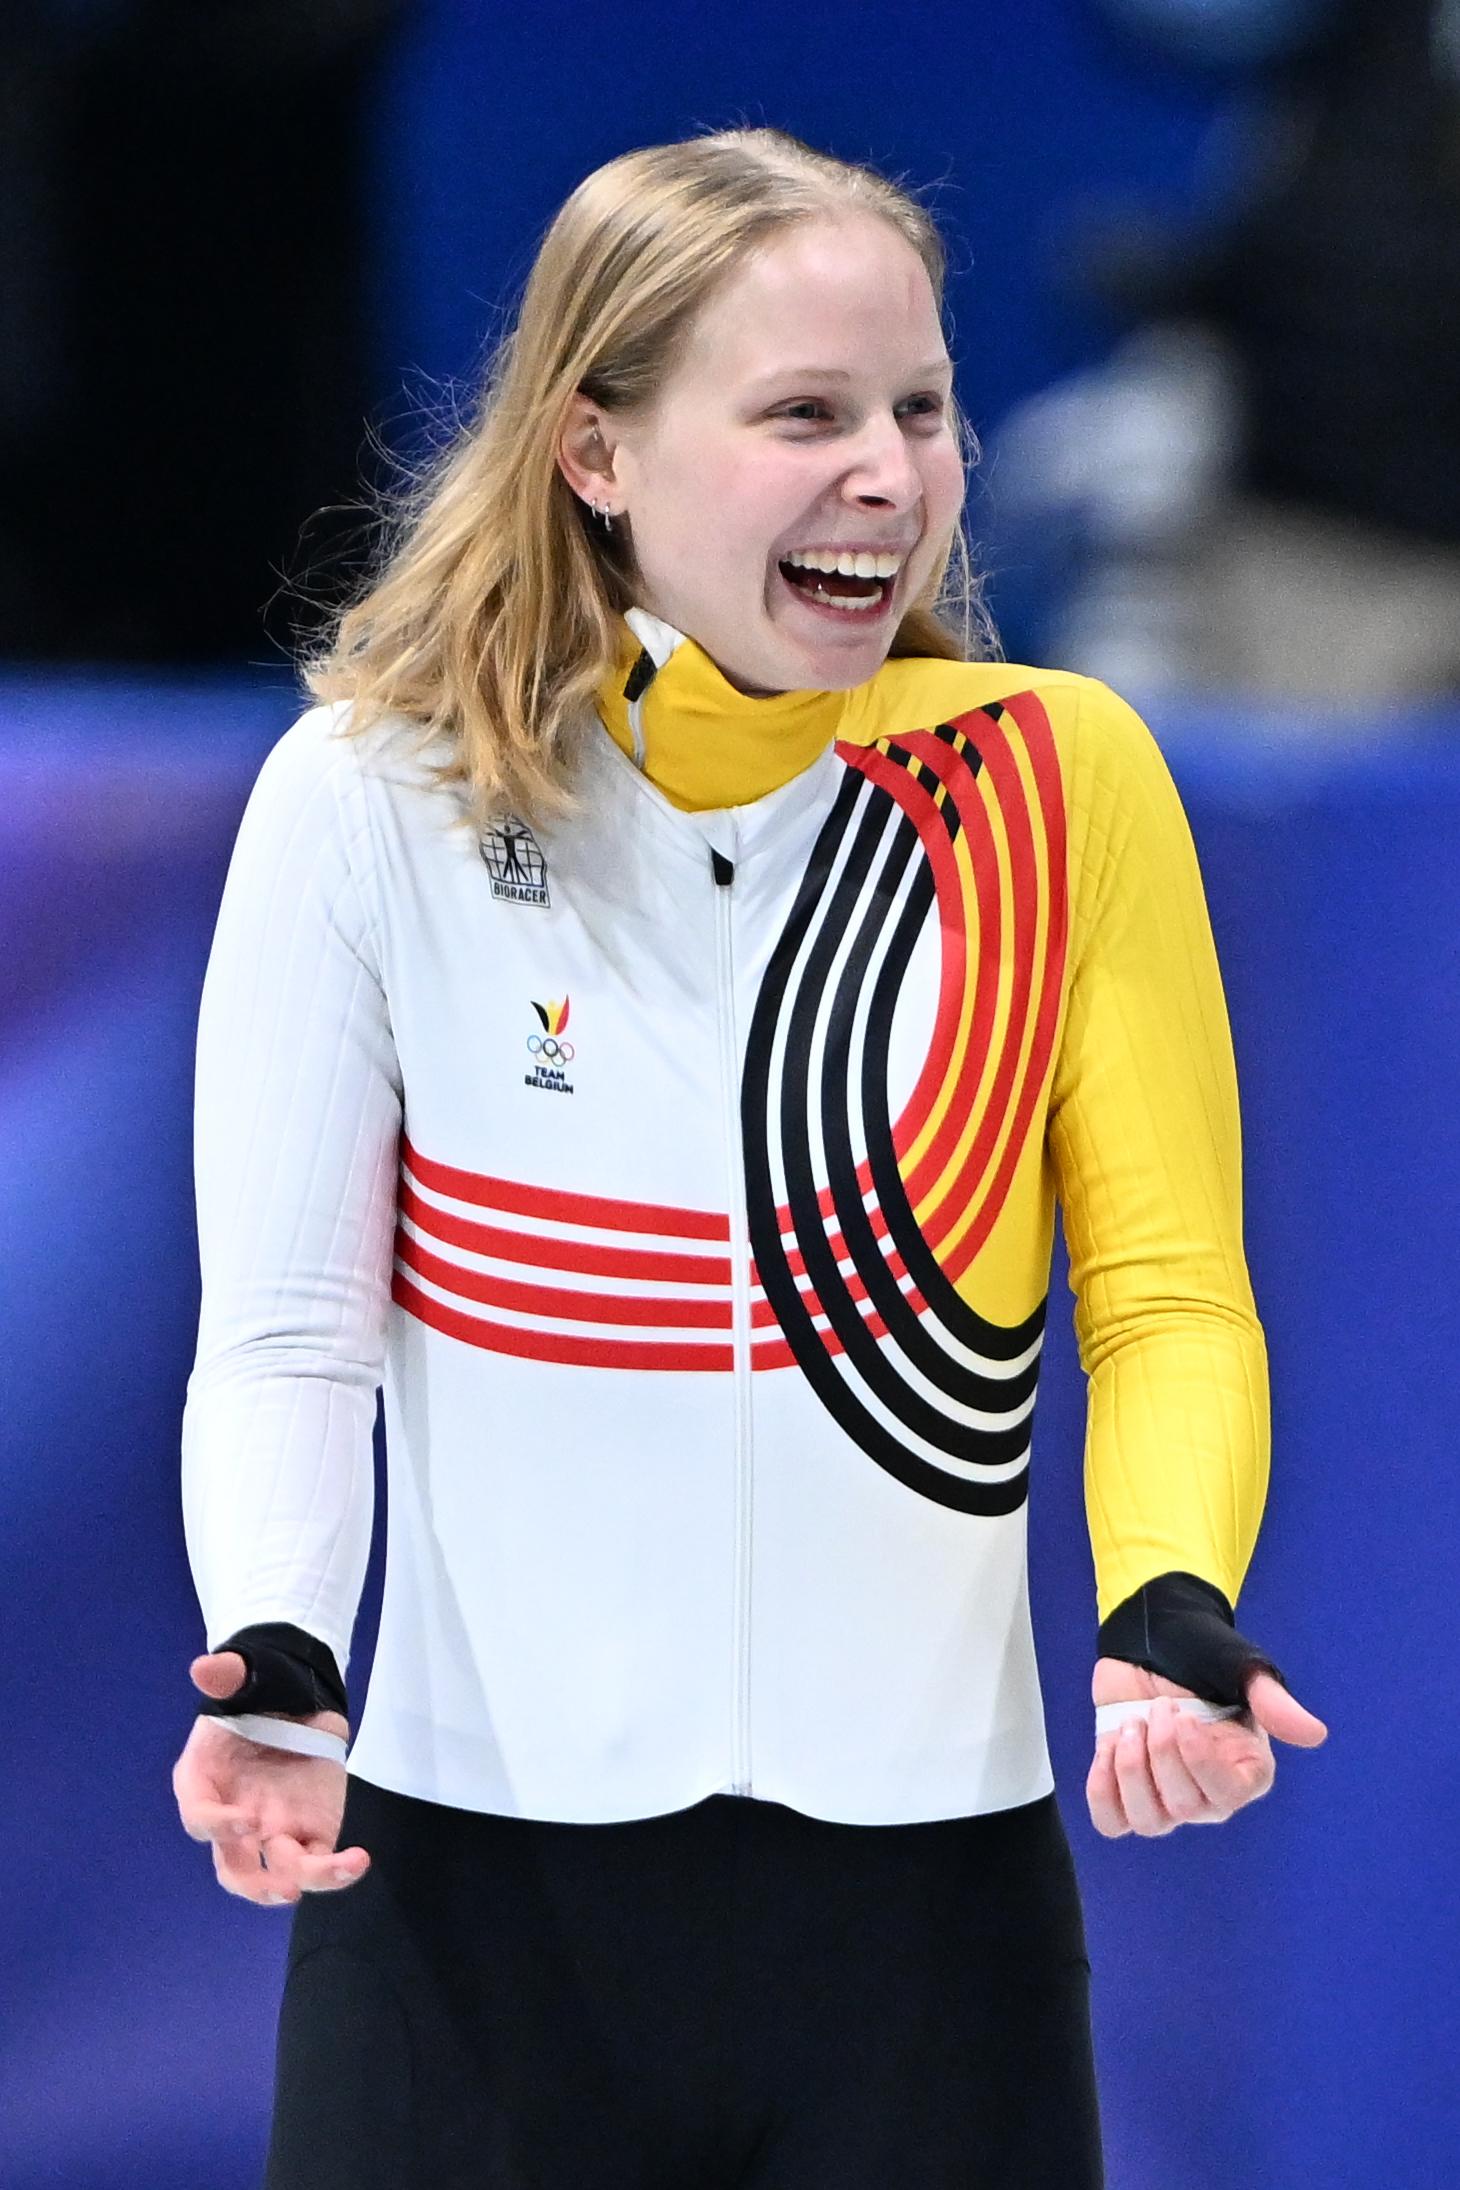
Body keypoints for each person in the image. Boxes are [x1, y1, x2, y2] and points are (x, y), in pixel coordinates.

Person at [171, 127, 1328, 2190]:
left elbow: (1164, 1296)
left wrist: (1167, 1597)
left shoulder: (1060, 788)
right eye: (803, 413)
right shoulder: (367, 794)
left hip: (922, 1941)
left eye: (921, 406)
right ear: (594, 448)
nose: (887, 470)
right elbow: (285, 1335)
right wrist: (276, 1646)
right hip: (466, 1931)